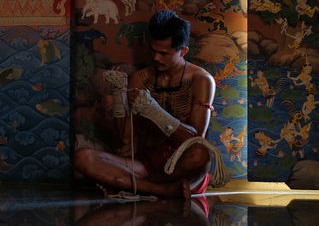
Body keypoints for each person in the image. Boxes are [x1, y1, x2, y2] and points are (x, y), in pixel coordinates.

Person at [74, 10, 218, 199]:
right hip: (146, 163)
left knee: (200, 154)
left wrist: (154, 111)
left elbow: (195, 138)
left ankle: (128, 185)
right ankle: (159, 190)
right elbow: (127, 142)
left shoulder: (202, 80)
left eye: (163, 53)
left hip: (183, 164)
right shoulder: (140, 79)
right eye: (153, 50)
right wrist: (119, 96)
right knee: (82, 157)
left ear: (182, 51)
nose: (156, 58)